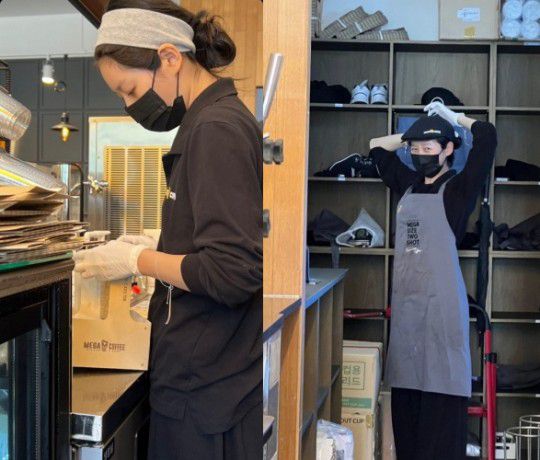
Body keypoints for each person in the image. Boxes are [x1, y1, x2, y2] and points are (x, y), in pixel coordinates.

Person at [73, 1, 262, 459]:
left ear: (171, 57)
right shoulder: (207, 120)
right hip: (204, 380)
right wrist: (161, 243)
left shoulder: (216, 128)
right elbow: (214, 238)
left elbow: (232, 272)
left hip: (207, 391)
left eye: (130, 89)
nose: (129, 105)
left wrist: (136, 259)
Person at [369, 101, 497, 459]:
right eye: (416, 149)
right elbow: (376, 147)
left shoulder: (459, 189)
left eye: (429, 148)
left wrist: (450, 118)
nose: (420, 155)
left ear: (448, 149)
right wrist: (413, 133)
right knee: (408, 419)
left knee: (440, 423)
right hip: (408, 316)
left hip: (441, 316)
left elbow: (487, 136)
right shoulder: (408, 184)